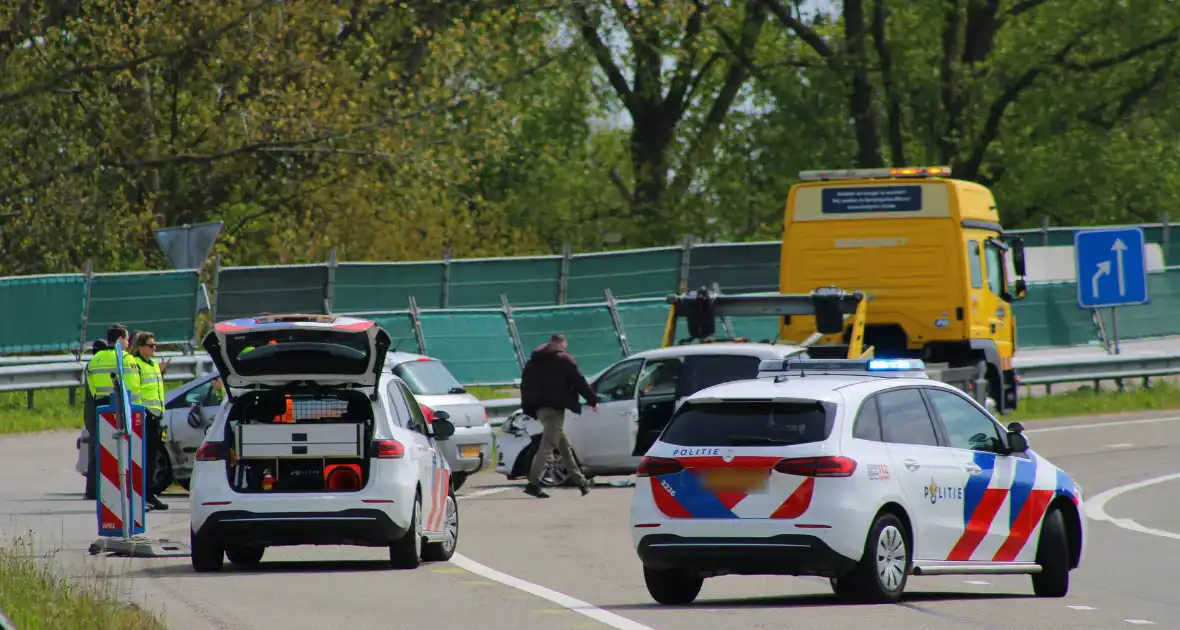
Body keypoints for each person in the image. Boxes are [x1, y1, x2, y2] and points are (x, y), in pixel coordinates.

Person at [518, 333, 598, 499]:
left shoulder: (533, 362)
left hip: (540, 409)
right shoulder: (564, 360)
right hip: (555, 410)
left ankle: (580, 481)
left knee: (564, 447)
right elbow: (579, 381)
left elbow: (524, 386)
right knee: (547, 446)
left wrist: (529, 408)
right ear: (562, 344)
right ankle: (533, 483)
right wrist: (592, 400)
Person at [83, 325, 141, 500]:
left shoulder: (94, 361)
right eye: (127, 339)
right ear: (120, 340)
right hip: (123, 410)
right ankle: (121, 489)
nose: (128, 342)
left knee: (100, 451)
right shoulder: (126, 359)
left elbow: (92, 389)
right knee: (123, 452)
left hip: (102, 409)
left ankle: (94, 490)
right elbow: (133, 388)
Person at [130, 331, 169, 511]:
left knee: (152, 459)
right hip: (145, 417)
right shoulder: (135, 365)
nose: (154, 349)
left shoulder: (153, 364)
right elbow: (136, 391)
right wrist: (142, 412)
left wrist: (162, 373)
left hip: (156, 417)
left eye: (155, 345)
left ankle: (149, 493)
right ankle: (142, 495)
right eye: (151, 345)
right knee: (144, 458)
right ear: (140, 347)